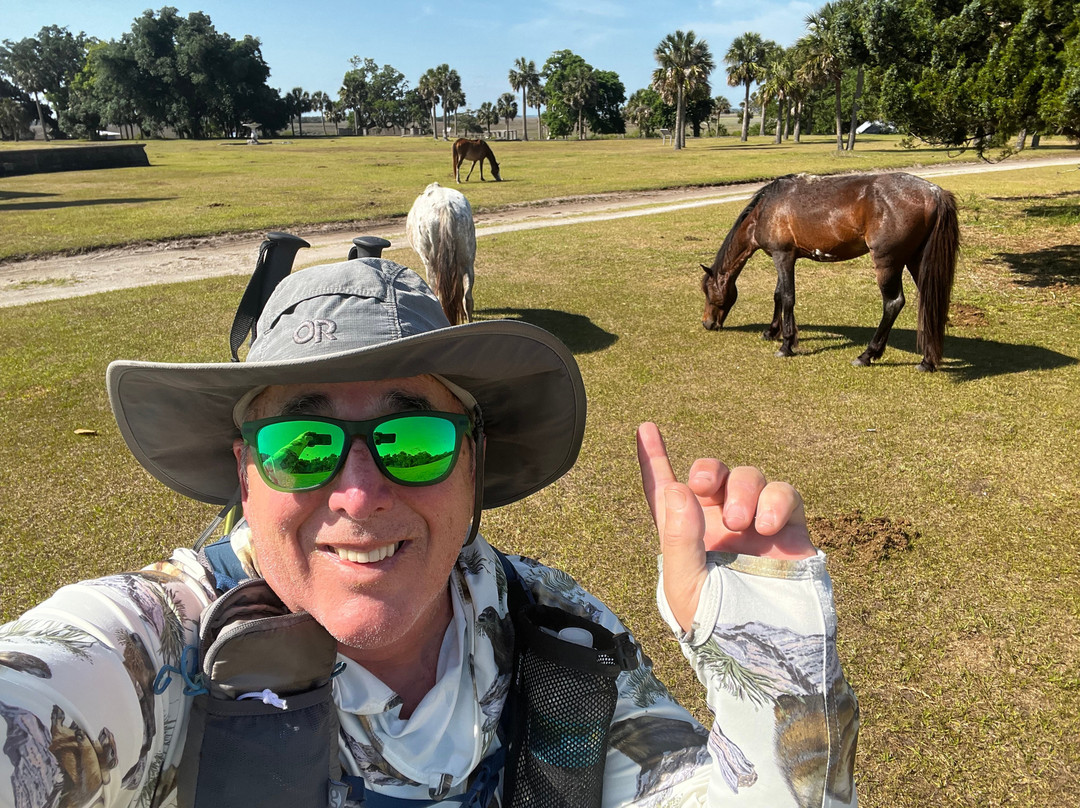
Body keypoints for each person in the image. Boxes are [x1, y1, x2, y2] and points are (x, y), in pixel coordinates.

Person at [0, 258, 858, 808]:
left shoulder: (559, 634)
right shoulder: (158, 646)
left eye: (413, 439)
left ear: (474, 466)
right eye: (302, 443)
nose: (359, 490)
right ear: (244, 473)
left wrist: (769, 660)